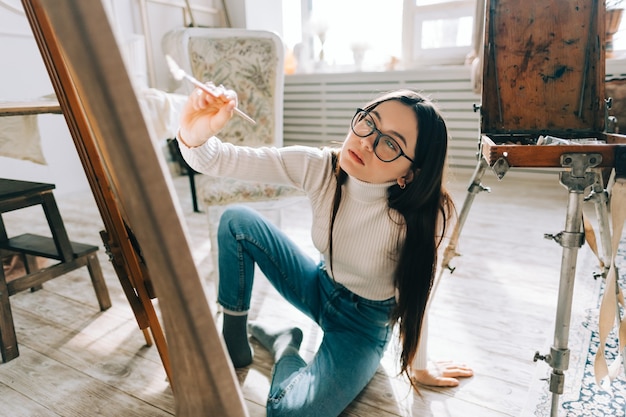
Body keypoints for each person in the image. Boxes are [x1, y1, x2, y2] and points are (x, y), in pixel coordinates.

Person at [177, 87, 472, 416]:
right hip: (320, 285)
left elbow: (419, 295)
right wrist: (194, 133)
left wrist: (419, 366)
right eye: (368, 123)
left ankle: (285, 344)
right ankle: (234, 345)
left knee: (289, 413)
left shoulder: (429, 217)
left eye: (390, 143)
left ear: (410, 173)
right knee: (236, 221)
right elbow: (215, 159)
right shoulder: (319, 167)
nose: (366, 142)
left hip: (362, 326)